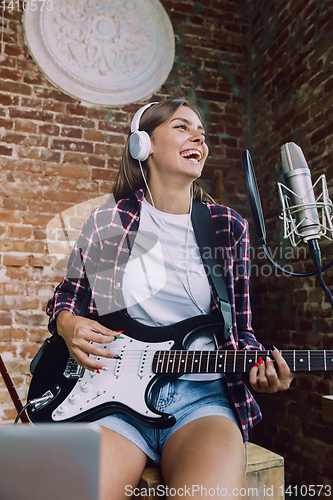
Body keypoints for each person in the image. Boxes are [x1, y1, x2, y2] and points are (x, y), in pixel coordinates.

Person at [46, 98, 291, 500]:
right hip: (112, 396)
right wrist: (68, 324)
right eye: (182, 127)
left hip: (203, 400)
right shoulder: (111, 221)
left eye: (202, 132)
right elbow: (70, 295)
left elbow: (240, 329)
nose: (198, 137)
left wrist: (260, 368)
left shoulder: (228, 227)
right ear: (144, 145)